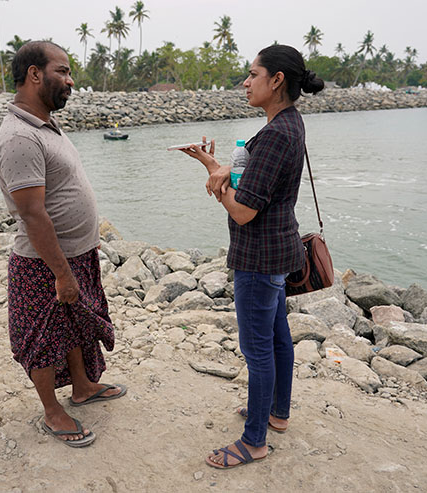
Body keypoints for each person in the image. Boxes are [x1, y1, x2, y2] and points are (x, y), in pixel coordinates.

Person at [181, 44, 324, 468]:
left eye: (252, 74)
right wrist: (219, 165)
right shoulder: (289, 125)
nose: (245, 82)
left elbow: (244, 210)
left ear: (276, 80)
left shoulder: (276, 134)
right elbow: (261, 186)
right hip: (277, 251)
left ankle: (254, 441)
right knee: (278, 338)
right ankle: (276, 413)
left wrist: (213, 175)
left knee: (258, 349)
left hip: (258, 258)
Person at [0, 40, 126, 448]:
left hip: (73, 253)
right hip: (43, 262)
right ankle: (52, 412)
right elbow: (32, 214)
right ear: (35, 74)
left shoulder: (45, 124)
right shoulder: (18, 137)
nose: (70, 81)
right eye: (62, 72)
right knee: (43, 337)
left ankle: (83, 387)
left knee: (70, 326)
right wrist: (62, 274)